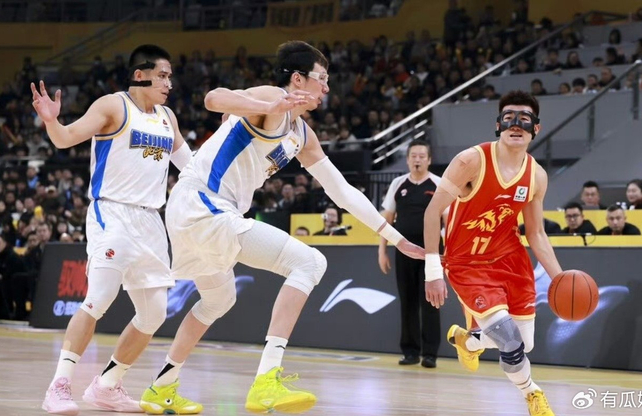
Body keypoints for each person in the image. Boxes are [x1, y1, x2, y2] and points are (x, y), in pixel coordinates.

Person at [139, 40, 424, 415]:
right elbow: (212, 98)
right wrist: (263, 106)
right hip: (202, 203)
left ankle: (161, 386)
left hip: (202, 212)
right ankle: (266, 381)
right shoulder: (272, 96)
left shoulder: (302, 135)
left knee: (219, 300)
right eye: (321, 78)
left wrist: (395, 237)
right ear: (298, 79)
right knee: (310, 262)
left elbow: (343, 192)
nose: (326, 87)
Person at [32, 44, 193, 415]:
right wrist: (52, 121)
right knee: (99, 299)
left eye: (170, 76)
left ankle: (107, 385)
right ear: (140, 75)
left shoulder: (167, 117)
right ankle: (58, 386)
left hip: (151, 220)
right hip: (113, 213)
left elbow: (192, 167)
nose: (169, 83)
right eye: (162, 75)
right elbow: (64, 138)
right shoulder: (113, 106)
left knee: (154, 314)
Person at [423, 91, 563, 416]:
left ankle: (469, 340)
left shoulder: (536, 175)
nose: (516, 124)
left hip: (511, 260)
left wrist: (559, 278)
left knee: (525, 343)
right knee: (510, 342)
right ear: (498, 124)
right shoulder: (470, 161)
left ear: (536, 129)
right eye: (509, 117)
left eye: (524, 119)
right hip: (467, 262)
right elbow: (432, 213)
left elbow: (536, 234)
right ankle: (532, 394)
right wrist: (433, 272)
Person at [378, 139, 444, 368]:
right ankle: (410, 352)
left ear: (429, 160)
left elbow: (449, 220)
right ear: (407, 160)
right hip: (404, 251)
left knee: (431, 301)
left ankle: (430, 354)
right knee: (407, 301)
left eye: (421, 156)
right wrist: (382, 251)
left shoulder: (438, 184)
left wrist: (447, 252)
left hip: (431, 253)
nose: (417, 160)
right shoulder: (398, 184)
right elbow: (386, 220)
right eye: (413, 156)